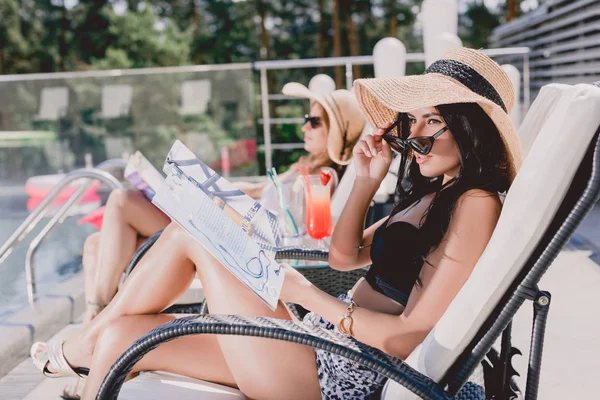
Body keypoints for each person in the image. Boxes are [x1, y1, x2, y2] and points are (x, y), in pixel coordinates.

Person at [32, 48, 522, 400]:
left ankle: (79, 344)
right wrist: (368, 181)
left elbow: (410, 336)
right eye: (409, 122)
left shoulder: (475, 204)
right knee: (124, 340)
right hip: (321, 345)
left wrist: (306, 295)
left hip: (341, 375)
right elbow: (343, 257)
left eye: (430, 122)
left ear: (469, 127)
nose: (412, 136)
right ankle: (93, 344)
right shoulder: (436, 195)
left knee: (186, 234)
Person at [80, 83, 366, 323]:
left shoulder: (321, 178)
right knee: (95, 244)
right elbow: (257, 189)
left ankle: (97, 321)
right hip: (224, 234)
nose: (304, 126)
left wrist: (220, 208)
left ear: (338, 131)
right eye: (307, 117)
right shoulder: (303, 167)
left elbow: (285, 233)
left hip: (234, 245)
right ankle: (100, 329)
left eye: (315, 121)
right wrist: (203, 186)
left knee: (122, 200)